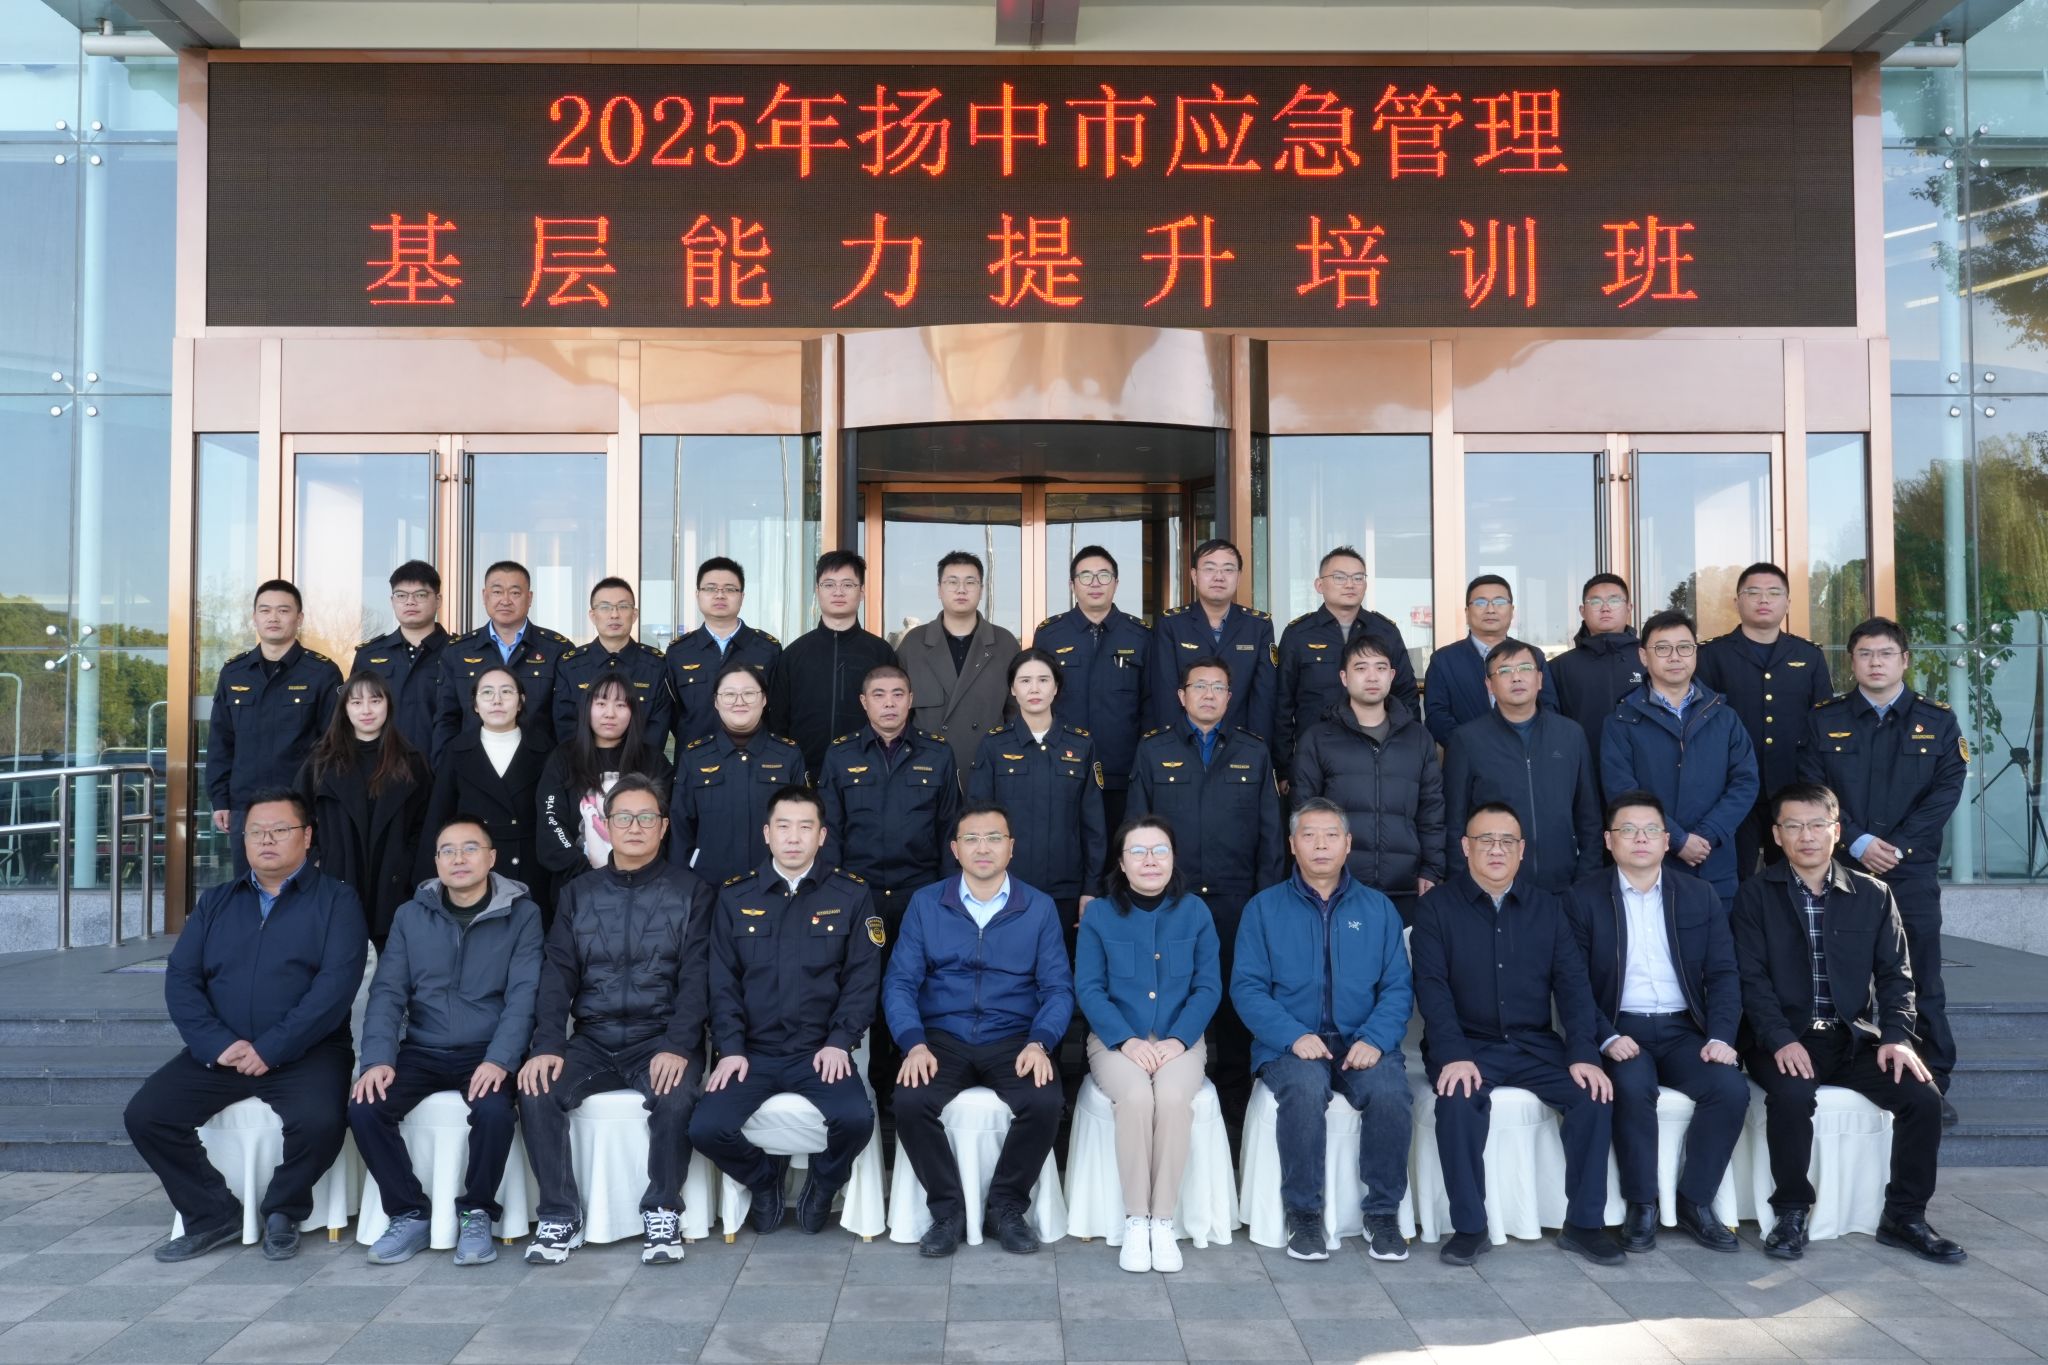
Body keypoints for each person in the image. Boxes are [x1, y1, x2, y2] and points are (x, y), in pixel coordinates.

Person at [127, 791, 367, 1263]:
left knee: (321, 1122)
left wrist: (273, 1047)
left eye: (280, 830)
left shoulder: (337, 900)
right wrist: (217, 1044)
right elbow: (181, 978)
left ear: (307, 837)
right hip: (224, 1051)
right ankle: (213, 1214)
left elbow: (335, 988)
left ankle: (282, 1210)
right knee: (147, 1115)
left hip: (307, 1052)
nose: (266, 840)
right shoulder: (217, 901)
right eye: (256, 831)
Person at [1731, 782, 1963, 1264]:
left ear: (1836, 831)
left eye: (1817, 825)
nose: (1806, 836)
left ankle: (1905, 1216)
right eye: (1794, 826)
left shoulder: (1873, 894)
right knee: (1792, 1096)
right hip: (1784, 1039)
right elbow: (1750, 980)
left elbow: (1897, 977)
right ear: (1777, 835)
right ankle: (1791, 1211)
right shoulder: (1755, 895)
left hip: (1852, 1038)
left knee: (1923, 1098)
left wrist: (1897, 1038)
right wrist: (1778, 1038)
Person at [1411, 804, 1618, 1267]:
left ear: (1522, 850)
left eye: (1507, 841)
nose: (1496, 849)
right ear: (1465, 847)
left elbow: (1574, 989)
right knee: (1457, 1100)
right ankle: (1470, 1227)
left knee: (1593, 1095)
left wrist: (1584, 1053)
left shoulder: (1549, 908)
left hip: (1534, 1045)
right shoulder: (1436, 908)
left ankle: (1584, 1224)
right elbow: (1432, 990)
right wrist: (1453, 1054)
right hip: (1467, 1045)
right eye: (1485, 840)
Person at [518, 776, 713, 1266]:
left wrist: (679, 1044)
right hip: (594, 1039)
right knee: (537, 1089)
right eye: (623, 817)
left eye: (647, 817)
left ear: (664, 827)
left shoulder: (692, 892)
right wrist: (547, 1045)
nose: (635, 827)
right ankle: (559, 1214)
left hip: (660, 1037)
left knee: (675, 1095)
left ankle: (662, 1209)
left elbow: (698, 978)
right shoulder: (578, 893)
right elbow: (557, 974)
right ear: (605, 825)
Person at [349, 818, 543, 1267]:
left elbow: (523, 996)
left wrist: (500, 1060)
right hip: (422, 1049)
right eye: (447, 851)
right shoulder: (411, 915)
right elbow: (387, 994)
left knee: (495, 1112)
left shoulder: (523, 915)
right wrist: (377, 1059)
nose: (459, 858)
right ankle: (409, 1212)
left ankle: (477, 1211)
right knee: (365, 1107)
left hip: (486, 1050)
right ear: (436, 862)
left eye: (470, 848)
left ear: (491, 858)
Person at [884, 804, 1074, 1258]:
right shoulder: (927, 903)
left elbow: (1057, 988)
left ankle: (1005, 1207)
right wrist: (913, 1043)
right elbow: (900, 982)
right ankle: (948, 1211)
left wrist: (1041, 1041)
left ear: (1011, 848)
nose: (982, 847)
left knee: (1044, 1102)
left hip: (1014, 1037)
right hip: (941, 1037)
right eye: (971, 838)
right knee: (909, 1102)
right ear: (955, 849)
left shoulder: (1038, 907)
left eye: (994, 838)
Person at [690, 787, 880, 1236]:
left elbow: (862, 980)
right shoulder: (735, 896)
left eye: (805, 827)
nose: (794, 837)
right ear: (767, 833)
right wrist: (731, 1049)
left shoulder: (850, 894)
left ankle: (824, 1182)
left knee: (857, 1121)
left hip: (819, 1051)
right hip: (753, 1053)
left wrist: (840, 1042)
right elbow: (722, 983)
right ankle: (764, 1181)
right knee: (705, 1128)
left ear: (822, 836)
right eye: (784, 826)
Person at [1232, 800, 1414, 1264]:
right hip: (1290, 1044)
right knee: (1304, 1089)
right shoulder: (1264, 908)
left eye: (1331, 835)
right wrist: (1293, 1036)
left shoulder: (1378, 909)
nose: (1320, 845)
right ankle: (1304, 1214)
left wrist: (1374, 1039)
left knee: (1391, 1091)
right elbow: (1247, 988)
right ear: (1292, 845)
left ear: (1348, 844)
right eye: (1308, 835)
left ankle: (1383, 1214)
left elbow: (1398, 986)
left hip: (1361, 1043)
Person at [1799, 617, 1966, 1122]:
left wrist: (1897, 848)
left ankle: (1930, 1082)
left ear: (1904, 660)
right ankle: (1861, 1072)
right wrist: (1857, 840)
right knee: (1842, 974)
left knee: (1920, 977)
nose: (1876, 662)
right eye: (1866, 654)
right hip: (1842, 867)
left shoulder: (1938, 721)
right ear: (1851, 662)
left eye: (1886, 653)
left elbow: (1946, 791)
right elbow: (1813, 787)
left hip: (1909, 871)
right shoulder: (1824, 719)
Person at [1566, 792, 1746, 1254]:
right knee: (1630, 1086)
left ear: (1667, 841)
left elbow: (1724, 973)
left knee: (1729, 1089)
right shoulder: (1583, 898)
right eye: (1628, 830)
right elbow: (1571, 983)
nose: (1640, 838)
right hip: (1621, 1027)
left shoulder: (1698, 895)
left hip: (1686, 1029)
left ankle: (1695, 1201)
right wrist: (1605, 1035)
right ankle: (1641, 1202)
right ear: (1609, 841)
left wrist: (1721, 1036)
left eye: (1650, 830)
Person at [1126, 656, 1285, 1128]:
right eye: (1200, 686)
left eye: (1218, 687)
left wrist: (1266, 901)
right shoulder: (1153, 749)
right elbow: (1136, 827)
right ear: (1182, 695)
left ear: (1230, 697)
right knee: (1172, 989)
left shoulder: (1254, 750)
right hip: (1172, 899)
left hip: (1238, 898)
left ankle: (1235, 1094)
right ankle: (1167, 1080)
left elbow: (1271, 833)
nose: (1209, 695)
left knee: (1237, 995)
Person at [1074, 817, 1221, 1273]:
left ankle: (1163, 1220)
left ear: (1173, 858)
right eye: (1137, 852)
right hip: (1116, 1039)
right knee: (1137, 1097)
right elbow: (1089, 989)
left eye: (1160, 850)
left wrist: (1179, 1039)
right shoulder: (1099, 915)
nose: (1150, 860)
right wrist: (1125, 1040)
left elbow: (1208, 987)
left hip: (1181, 1038)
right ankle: (1136, 1219)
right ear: (1121, 863)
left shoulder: (1195, 911)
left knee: (1173, 1097)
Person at [817, 665, 962, 1098]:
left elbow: (949, 830)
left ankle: (912, 1083)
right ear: (864, 703)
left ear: (911, 699)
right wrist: (834, 893)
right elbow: (831, 832)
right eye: (879, 695)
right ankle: (873, 1085)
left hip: (920, 893)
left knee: (918, 985)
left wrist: (948, 896)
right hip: (858, 895)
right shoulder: (840, 754)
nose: (889, 703)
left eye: (898, 694)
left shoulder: (938, 753)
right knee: (863, 986)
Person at [1601, 610, 1760, 910]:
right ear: (1643, 656)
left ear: (1695, 653)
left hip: (1713, 861)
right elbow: (1622, 790)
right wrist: (1676, 839)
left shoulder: (1724, 717)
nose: (1675, 657)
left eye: (1684, 647)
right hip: (1649, 866)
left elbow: (1745, 782)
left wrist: (1706, 834)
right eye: (1662, 648)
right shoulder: (1621, 721)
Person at [1290, 634, 1445, 923]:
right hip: (1337, 887)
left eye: (1380, 667)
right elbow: (1303, 813)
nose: (1372, 677)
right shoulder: (1319, 738)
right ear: (1344, 677)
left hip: (1406, 888)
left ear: (1392, 675)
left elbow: (1432, 810)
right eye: (1361, 668)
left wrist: (1431, 869)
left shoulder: (1418, 738)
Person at [1694, 562, 1832, 879]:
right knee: (1736, 877)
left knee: (1794, 876)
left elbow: (1822, 723)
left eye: (1773, 593)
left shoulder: (1808, 655)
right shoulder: (1712, 656)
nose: (1764, 600)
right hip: (1730, 789)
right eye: (1753, 592)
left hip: (1794, 787)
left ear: (1788, 602)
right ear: (1737, 601)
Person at [1442, 638, 1601, 894]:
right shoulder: (1467, 740)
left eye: (1525, 668)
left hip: (1564, 887)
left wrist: (1585, 879)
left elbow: (1589, 816)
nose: (1516, 677)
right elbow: (1454, 821)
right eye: (1504, 671)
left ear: (1539, 679)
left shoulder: (1570, 735)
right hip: (1493, 888)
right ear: (1489, 685)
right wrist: (1464, 887)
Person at [207, 579, 343, 874]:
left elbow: (333, 746)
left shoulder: (322, 673)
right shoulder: (234, 673)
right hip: (245, 805)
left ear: (299, 618)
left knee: (301, 890)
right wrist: (220, 799)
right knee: (248, 887)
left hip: (300, 806)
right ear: (254, 617)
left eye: (283, 610)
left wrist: (322, 807)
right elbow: (221, 741)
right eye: (265, 610)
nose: (273, 617)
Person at [966, 648, 1107, 933]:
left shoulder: (1081, 745)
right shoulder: (994, 745)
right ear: (1012, 689)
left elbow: (1093, 825)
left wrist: (1091, 888)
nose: (1034, 689)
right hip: (1005, 887)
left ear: (1056, 688)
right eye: (1025, 680)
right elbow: (976, 821)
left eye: (1043, 680)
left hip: (1066, 889)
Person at [295, 669, 431, 949]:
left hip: (394, 883)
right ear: (345, 709)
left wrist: (408, 862)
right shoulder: (321, 761)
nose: (366, 710)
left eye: (375, 701)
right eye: (356, 702)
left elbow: (426, 823)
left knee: (392, 960)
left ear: (388, 705)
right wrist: (317, 859)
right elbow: (297, 816)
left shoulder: (412, 761)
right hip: (336, 876)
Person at [1034, 545, 1155, 835]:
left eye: (1104, 575)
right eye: (1086, 576)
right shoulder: (1051, 634)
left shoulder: (1140, 635)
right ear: (1072, 584)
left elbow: (1150, 703)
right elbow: (1036, 702)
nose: (1095, 583)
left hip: (1123, 771)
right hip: (1062, 768)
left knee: (1121, 848)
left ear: (1116, 582)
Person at [1275, 545, 1418, 776]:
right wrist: (1284, 767)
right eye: (1340, 577)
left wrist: (1408, 752)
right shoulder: (1298, 634)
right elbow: (1282, 704)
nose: (1350, 584)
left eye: (1358, 577)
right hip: (1315, 758)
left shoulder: (1385, 632)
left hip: (1378, 756)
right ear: (1319, 585)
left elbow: (1406, 695)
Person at [418, 665, 554, 907]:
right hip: (472, 870)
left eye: (506, 692)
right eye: (487, 692)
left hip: (532, 867)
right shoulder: (456, 751)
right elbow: (438, 816)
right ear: (475, 704)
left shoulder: (545, 750)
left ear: (521, 702)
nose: (497, 700)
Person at [668, 661, 807, 885]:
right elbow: (680, 829)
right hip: (708, 886)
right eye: (729, 694)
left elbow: (803, 823)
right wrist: (683, 887)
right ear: (716, 701)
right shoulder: (695, 757)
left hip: (774, 884)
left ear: (764, 699)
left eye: (749, 694)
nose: (739, 702)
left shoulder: (787, 755)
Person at [537, 675, 675, 892]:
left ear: (633, 712)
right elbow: (551, 821)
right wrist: (585, 872)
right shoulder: (564, 757)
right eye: (601, 703)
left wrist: (633, 873)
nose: (610, 713)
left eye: (621, 705)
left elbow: (664, 825)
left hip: (643, 887)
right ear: (587, 709)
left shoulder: (653, 760)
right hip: (577, 886)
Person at [769, 550, 899, 778]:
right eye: (829, 584)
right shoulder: (794, 654)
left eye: (848, 585)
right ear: (817, 590)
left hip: (870, 776)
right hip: (804, 777)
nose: (838, 592)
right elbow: (778, 721)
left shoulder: (880, 653)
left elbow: (895, 715)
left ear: (862, 592)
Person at [431, 560, 574, 764]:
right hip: (473, 768)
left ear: (529, 598)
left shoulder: (557, 650)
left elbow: (566, 722)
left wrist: (564, 773)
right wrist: (444, 769)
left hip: (541, 769)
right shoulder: (457, 651)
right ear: (485, 596)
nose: (505, 600)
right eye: (497, 592)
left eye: (515, 593)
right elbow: (447, 719)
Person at [900, 551, 1022, 776]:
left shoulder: (1004, 643)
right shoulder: (914, 644)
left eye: (970, 582)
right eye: (952, 582)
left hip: (989, 767)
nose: (961, 589)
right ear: (939, 589)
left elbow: (1017, 713)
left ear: (981, 590)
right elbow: (899, 713)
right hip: (926, 769)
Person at [1149, 539, 1275, 745]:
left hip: (1240, 744)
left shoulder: (1258, 626)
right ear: (1194, 576)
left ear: (1239, 577)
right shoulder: (1171, 624)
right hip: (1184, 742)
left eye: (1228, 569)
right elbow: (1165, 694)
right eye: (1209, 568)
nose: (1219, 577)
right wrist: (1173, 746)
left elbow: (1263, 696)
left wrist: (1257, 748)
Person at [665, 556, 783, 750]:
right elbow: (673, 714)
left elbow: (777, 711)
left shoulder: (767, 649)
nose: (720, 595)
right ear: (698, 595)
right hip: (694, 760)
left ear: (742, 596)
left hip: (755, 758)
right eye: (710, 588)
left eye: (729, 589)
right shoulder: (678, 652)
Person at [1423, 575, 1555, 748]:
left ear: (1512, 610)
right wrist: (1475, 748)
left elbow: (1549, 708)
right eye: (1480, 602)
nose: (1490, 609)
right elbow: (1437, 717)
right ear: (1467, 612)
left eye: (1499, 602)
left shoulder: (1532, 656)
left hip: (1527, 754)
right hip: (1469, 757)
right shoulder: (1443, 660)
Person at [551, 577, 674, 745]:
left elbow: (657, 728)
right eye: (605, 607)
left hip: (641, 761)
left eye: (623, 607)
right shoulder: (570, 666)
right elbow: (566, 726)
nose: (614, 614)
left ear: (634, 615)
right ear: (593, 616)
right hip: (582, 760)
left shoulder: (656, 666)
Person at [351, 559, 451, 763]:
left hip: (444, 768)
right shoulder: (368, 655)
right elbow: (352, 716)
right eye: (401, 595)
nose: (410, 602)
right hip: (382, 767)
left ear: (438, 600)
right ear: (392, 600)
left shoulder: (458, 653)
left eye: (420, 595)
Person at [1550, 573, 1643, 775]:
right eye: (1595, 601)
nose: (1605, 608)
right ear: (1582, 611)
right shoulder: (1559, 667)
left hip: (1643, 772)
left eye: (1614, 600)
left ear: (1629, 608)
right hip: (1583, 772)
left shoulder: (1649, 659)